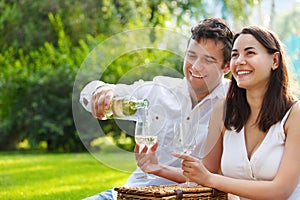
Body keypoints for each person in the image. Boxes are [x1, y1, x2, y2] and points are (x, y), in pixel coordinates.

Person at [79, 18, 233, 200]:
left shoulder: (234, 103)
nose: (196, 66)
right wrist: (102, 90)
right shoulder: (159, 91)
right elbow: (89, 95)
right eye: (191, 55)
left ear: (227, 67)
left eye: (208, 60)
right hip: (131, 192)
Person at [174, 25, 300, 199]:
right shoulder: (222, 111)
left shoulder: (295, 114)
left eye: (250, 53)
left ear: (275, 60)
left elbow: (280, 191)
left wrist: (211, 179)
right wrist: (156, 167)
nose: (240, 60)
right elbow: (203, 174)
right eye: (235, 55)